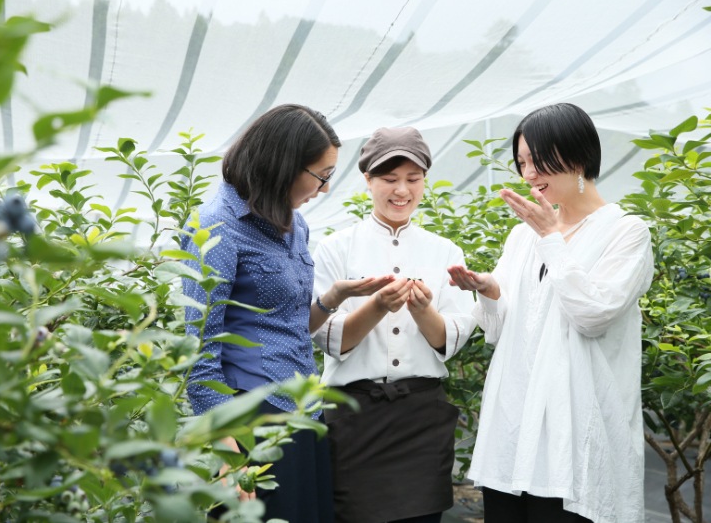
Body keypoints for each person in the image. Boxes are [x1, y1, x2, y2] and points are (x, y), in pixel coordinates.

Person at [181, 104, 391, 523]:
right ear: (282, 165)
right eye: (322, 175)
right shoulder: (216, 227)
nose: (325, 188)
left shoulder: (294, 224)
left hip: (301, 413)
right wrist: (227, 456)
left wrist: (331, 298)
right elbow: (199, 352)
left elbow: (287, 327)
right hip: (249, 421)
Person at [448, 103, 654, 523]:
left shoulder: (626, 232)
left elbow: (593, 315)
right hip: (514, 425)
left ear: (578, 158)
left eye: (538, 161)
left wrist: (549, 236)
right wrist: (488, 290)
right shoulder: (522, 236)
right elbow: (499, 327)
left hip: (575, 432)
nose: (528, 175)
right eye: (522, 162)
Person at [311, 126, 476, 523]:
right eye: (389, 179)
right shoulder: (336, 246)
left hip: (420, 417)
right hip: (353, 417)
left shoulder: (445, 251)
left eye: (413, 179)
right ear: (368, 180)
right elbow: (328, 339)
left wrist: (422, 311)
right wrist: (378, 306)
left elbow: (448, 341)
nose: (402, 190)